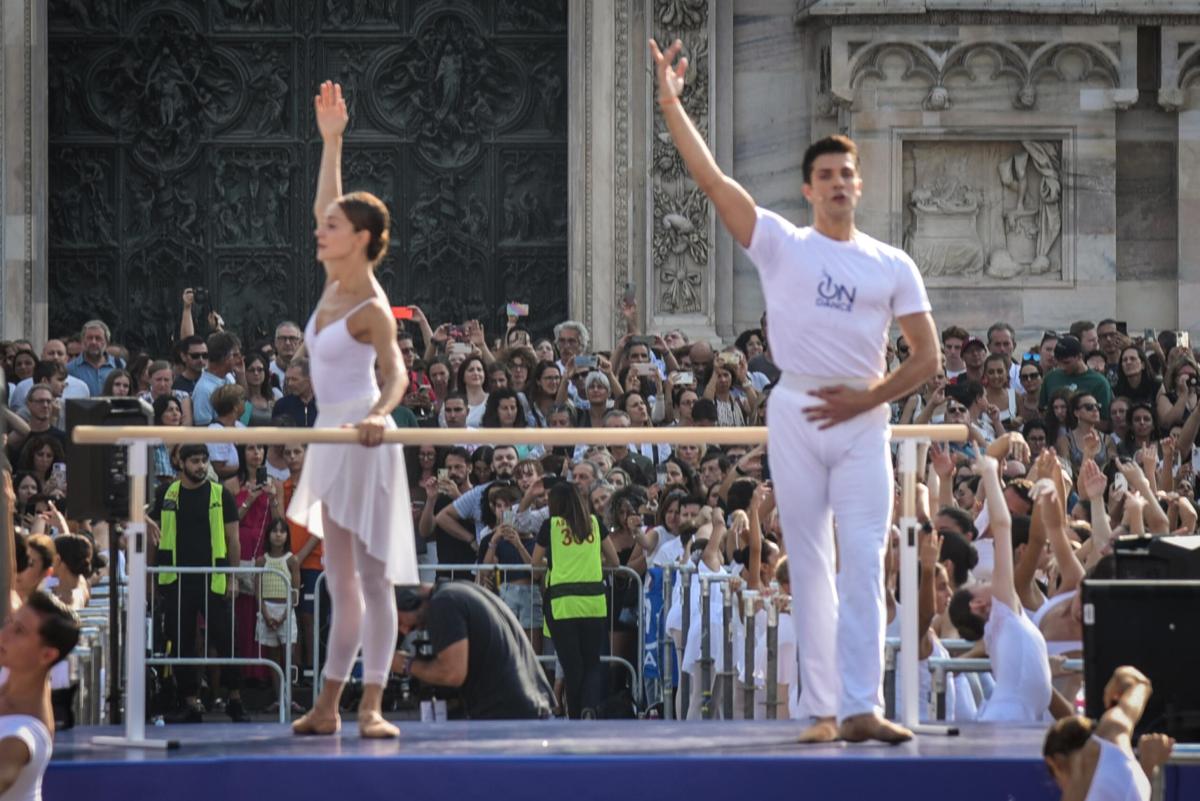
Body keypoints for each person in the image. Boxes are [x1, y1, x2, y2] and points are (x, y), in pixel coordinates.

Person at [650, 37, 937, 743]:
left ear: (858, 185)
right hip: (799, 406)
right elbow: (714, 181)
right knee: (807, 557)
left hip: (864, 415)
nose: (839, 183)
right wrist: (669, 106)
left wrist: (869, 399)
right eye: (826, 175)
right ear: (809, 188)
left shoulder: (891, 262)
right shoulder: (781, 242)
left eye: (847, 173)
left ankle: (865, 704)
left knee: (866, 557)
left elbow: (926, 358)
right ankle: (822, 708)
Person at [287, 81, 417, 739]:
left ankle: (371, 702)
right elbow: (323, 201)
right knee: (338, 580)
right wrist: (332, 140)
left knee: (373, 576)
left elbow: (396, 375)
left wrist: (380, 416)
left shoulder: (369, 306)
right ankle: (328, 704)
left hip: (364, 432)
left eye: (332, 227)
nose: (320, 229)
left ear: (360, 238)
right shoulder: (334, 282)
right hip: (329, 435)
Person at [147, 444, 248, 723]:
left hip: (214, 580)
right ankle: (191, 702)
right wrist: (150, 579)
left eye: (204, 460)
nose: (201, 466)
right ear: (180, 462)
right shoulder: (165, 494)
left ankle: (235, 699)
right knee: (180, 643)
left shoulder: (220, 494)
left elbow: (233, 540)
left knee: (226, 639)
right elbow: (153, 540)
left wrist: (232, 578)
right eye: (195, 461)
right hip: (176, 580)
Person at [948, 454, 1053, 722]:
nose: (987, 583)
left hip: (1011, 719)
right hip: (1007, 721)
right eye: (982, 585)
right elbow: (1003, 525)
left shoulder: (998, 627)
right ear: (978, 605)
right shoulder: (1003, 611)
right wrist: (991, 473)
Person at [394, 582, 555, 720]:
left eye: (400, 621)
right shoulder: (460, 591)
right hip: (529, 705)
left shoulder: (443, 604)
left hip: (507, 716)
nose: (405, 630)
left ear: (410, 599)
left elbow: (452, 673)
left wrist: (405, 663)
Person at [531, 481, 619, 718]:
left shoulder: (550, 526)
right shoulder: (594, 523)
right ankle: (589, 708)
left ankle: (576, 715)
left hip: (563, 604)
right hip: (593, 601)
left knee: (572, 666)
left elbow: (535, 564)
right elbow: (615, 562)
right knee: (592, 662)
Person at [1043, 665, 1174, 801]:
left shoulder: (1107, 745)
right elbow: (1139, 683)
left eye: (1053, 776)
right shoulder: (1111, 739)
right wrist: (1118, 677)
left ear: (1055, 762)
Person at [0, 591, 80, 801]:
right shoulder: (12, 669)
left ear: (47, 655)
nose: (4, 634)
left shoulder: (21, 736)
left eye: (19, 631)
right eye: (10, 622)